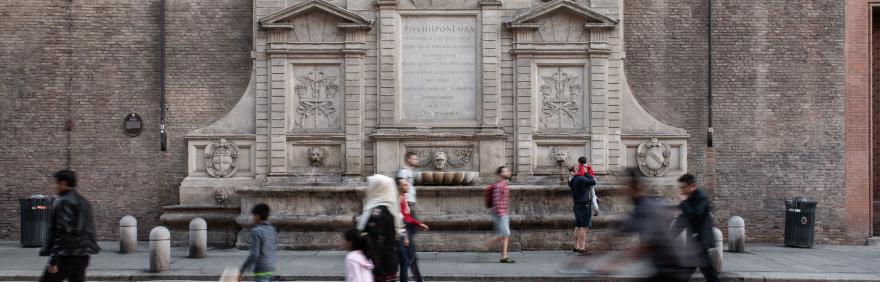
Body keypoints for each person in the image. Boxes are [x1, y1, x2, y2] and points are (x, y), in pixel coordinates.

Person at [39, 170, 100, 282]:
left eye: (57, 183)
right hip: (83, 255)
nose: (55, 186)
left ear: (63, 183)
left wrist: (54, 261)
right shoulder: (84, 202)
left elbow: (63, 232)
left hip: (66, 256)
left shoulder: (65, 202)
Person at [672, 174, 720, 282]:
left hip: (701, 242)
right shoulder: (690, 199)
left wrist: (683, 202)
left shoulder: (701, 197)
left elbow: (695, 214)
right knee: (706, 273)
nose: (681, 190)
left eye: (683, 187)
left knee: (705, 273)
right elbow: (682, 219)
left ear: (692, 185)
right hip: (695, 243)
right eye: (681, 187)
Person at [357, 174, 402, 282]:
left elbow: (372, 238)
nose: (368, 189)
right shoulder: (388, 209)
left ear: (377, 189)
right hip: (388, 263)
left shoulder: (378, 212)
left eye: (371, 185)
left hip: (380, 266)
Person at [396, 177, 428, 282]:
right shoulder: (398, 199)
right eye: (404, 185)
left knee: (409, 260)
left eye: (407, 184)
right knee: (406, 262)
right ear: (399, 187)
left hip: (406, 233)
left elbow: (407, 216)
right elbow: (401, 219)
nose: (407, 186)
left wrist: (419, 224)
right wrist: (405, 236)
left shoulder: (403, 197)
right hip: (403, 234)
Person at [239, 203, 277, 282]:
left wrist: (242, 269)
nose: (252, 218)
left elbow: (254, 254)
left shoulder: (256, 231)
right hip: (271, 266)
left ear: (257, 216)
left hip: (261, 269)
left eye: (253, 216)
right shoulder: (272, 229)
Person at [484, 166, 515, 263]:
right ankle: (487, 243)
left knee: (505, 235)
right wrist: (502, 214)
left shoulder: (502, 184)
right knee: (504, 233)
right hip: (500, 213)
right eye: (506, 170)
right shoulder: (499, 185)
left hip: (502, 213)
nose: (509, 172)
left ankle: (504, 257)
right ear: (501, 173)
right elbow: (497, 201)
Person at [568, 173, 597, 255]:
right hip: (584, 205)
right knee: (583, 227)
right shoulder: (581, 178)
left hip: (577, 204)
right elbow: (593, 181)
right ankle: (582, 248)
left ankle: (576, 246)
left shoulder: (571, 179)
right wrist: (587, 173)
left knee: (578, 226)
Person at [397, 152, 419, 217]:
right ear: (409, 160)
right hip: (408, 201)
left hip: (411, 200)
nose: (416, 161)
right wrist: (404, 201)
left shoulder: (409, 171)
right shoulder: (403, 171)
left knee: (411, 222)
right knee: (413, 221)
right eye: (414, 159)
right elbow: (401, 186)